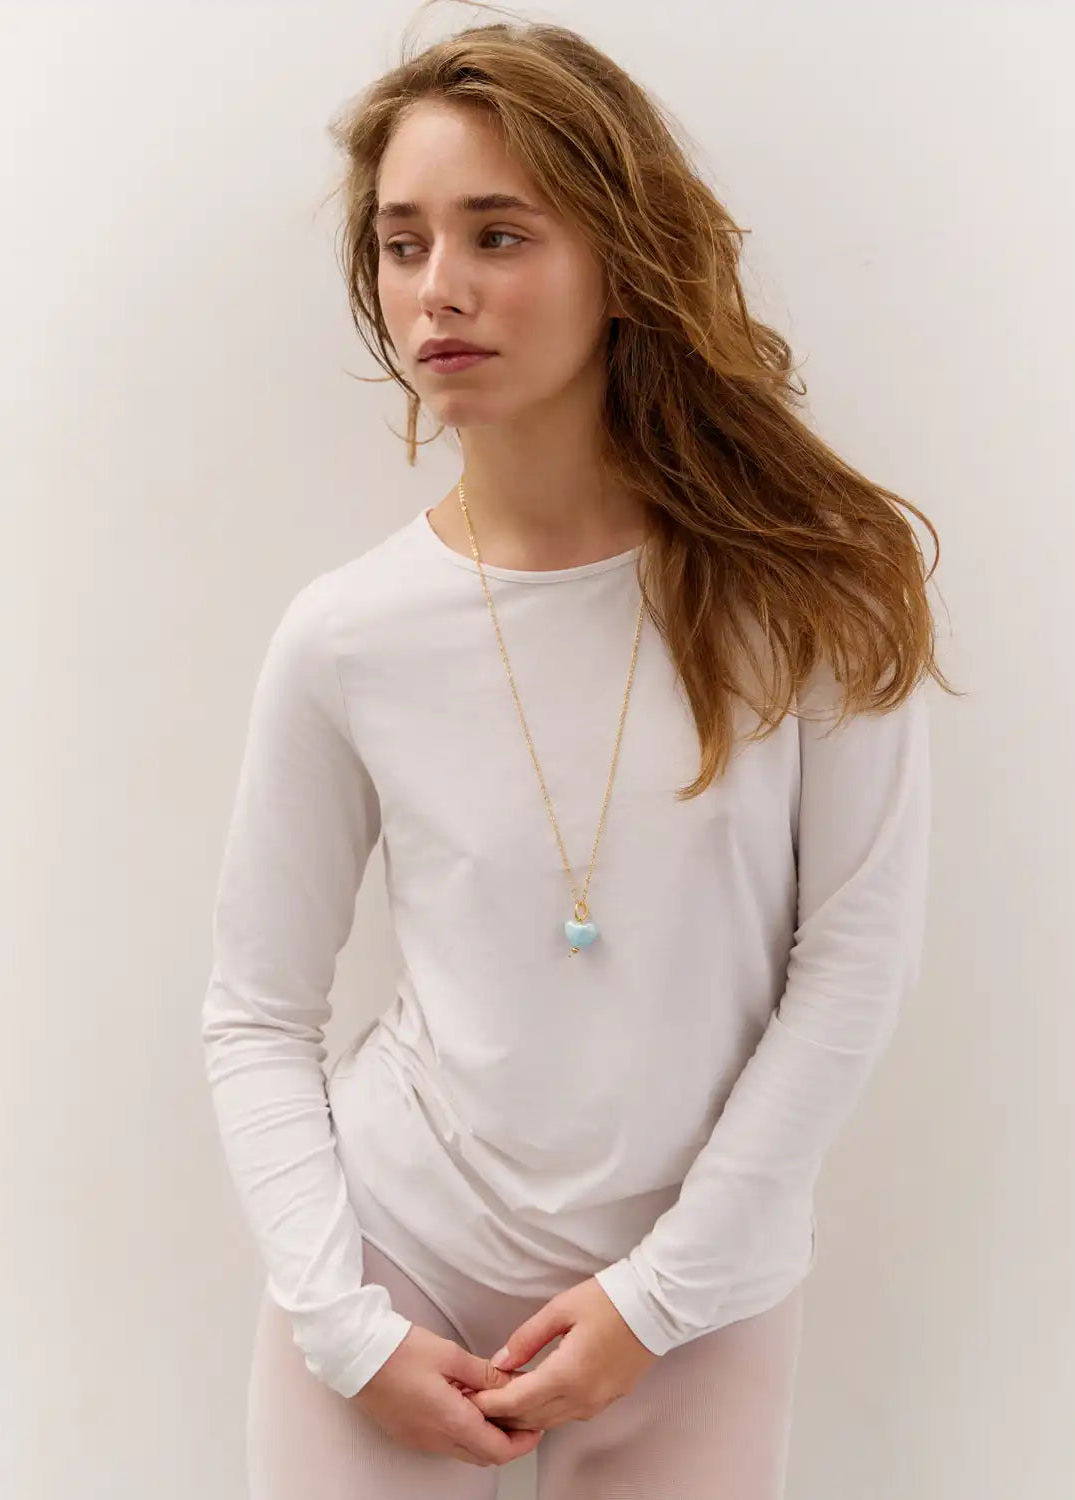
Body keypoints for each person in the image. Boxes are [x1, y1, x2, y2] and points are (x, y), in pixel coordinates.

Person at [200, 6, 956, 1496]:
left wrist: (660, 1298)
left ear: (622, 258)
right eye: (402, 243)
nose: (438, 288)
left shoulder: (817, 597)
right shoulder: (347, 635)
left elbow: (855, 961)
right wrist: (343, 1324)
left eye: (499, 234)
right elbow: (257, 1012)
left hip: (700, 1288)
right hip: (393, 1268)